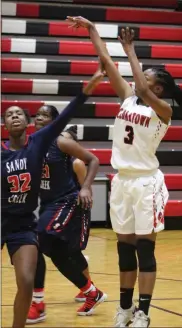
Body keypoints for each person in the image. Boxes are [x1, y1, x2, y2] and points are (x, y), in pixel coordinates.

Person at [67, 17, 182, 328]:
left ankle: (143, 314)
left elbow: (141, 85)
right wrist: (93, 30)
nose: (139, 79)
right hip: (122, 182)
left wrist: (132, 51)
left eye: (146, 77)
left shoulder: (162, 110)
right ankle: (125, 309)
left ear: (158, 87)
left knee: (145, 250)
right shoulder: (128, 98)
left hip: (146, 184)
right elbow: (107, 62)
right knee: (124, 249)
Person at [1, 67, 105, 328]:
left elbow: (69, 117)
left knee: (32, 263)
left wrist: (91, 85)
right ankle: (89, 289)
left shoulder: (46, 141)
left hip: (42, 214)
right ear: (4, 124)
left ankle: (35, 306)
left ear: (27, 122)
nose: (14, 117)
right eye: (8, 115)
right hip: (23, 212)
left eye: (19, 114)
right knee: (56, 250)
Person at [26, 115, 105, 323]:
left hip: (69, 203)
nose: (41, 117)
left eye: (46, 115)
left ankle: (38, 302)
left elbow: (92, 162)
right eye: (38, 114)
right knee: (60, 254)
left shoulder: (63, 147)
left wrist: (87, 189)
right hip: (48, 205)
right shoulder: (32, 146)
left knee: (37, 242)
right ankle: (91, 292)